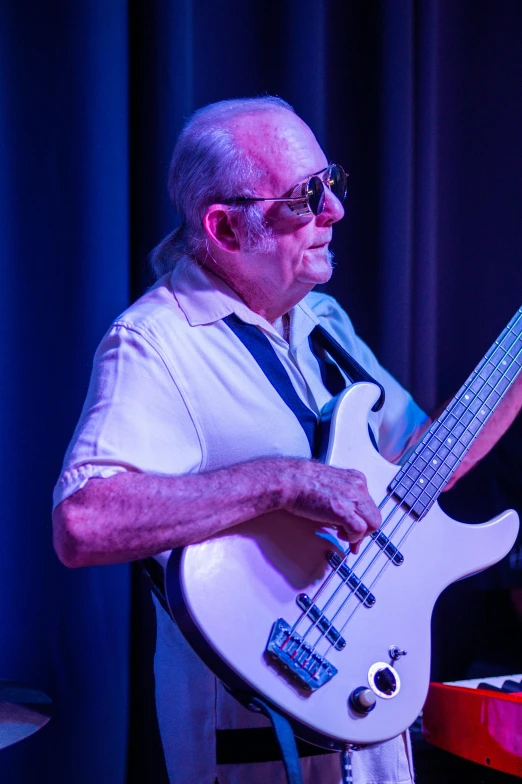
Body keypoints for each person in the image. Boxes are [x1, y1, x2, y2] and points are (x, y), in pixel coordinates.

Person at [52, 96, 522, 784]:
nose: (334, 210)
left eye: (332, 181)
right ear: (225, 228)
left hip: (372, 727)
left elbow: (424, 464)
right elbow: (85, 522)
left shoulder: (320, 318)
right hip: (264, 748)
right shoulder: (155, 342)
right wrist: (284, 480)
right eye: (306, 196)